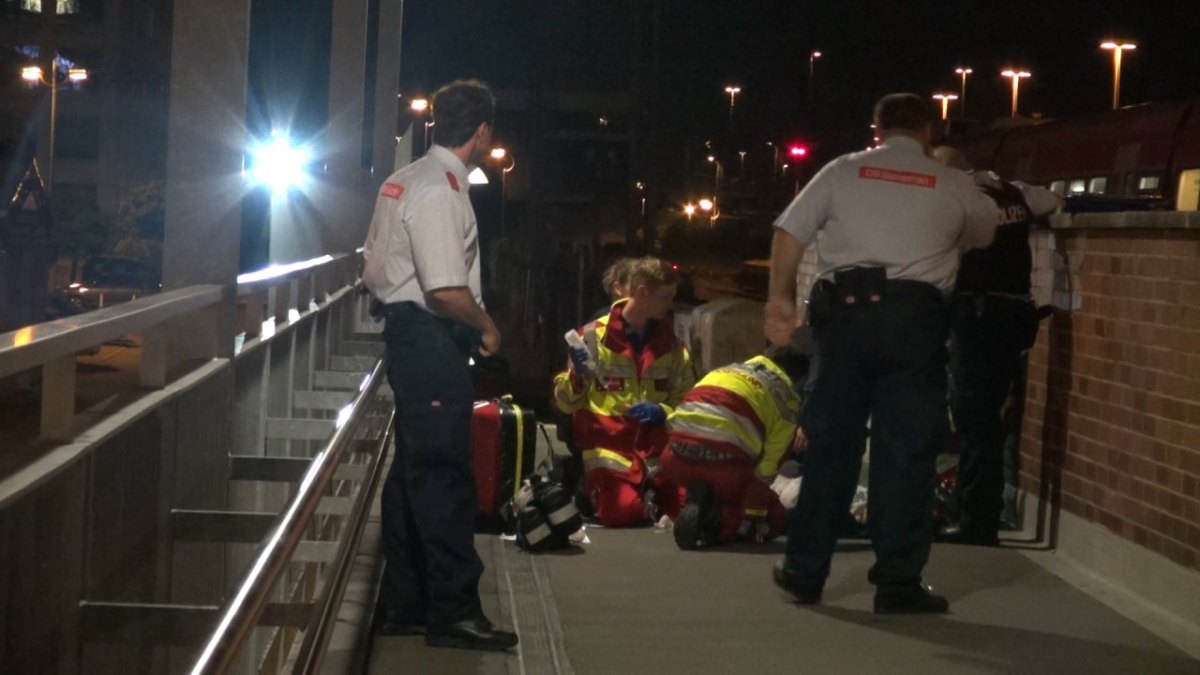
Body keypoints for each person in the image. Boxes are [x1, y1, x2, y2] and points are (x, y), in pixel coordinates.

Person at [764, 93, 1002, 615]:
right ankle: (897, 584)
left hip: (842, 322)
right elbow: (985, 229)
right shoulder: (950, 181)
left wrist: (780, 296)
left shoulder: (843, 170)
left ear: (877, 128)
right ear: (929, 130)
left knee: (830, 449)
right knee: (906, 454)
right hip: (914, 324)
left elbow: (789, 229)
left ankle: (805, 573)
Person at [362, 79, 518, 651]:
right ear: (482, 132)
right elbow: (447, 290)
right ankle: (454, 610)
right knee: (445, 476)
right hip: (431, 341)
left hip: (404, 336)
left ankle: (408, 603)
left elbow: (375, 268)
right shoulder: (441, 190)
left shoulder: (401, 180)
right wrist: (487, 327)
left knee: (411, 476)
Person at [932, 146, 1061, 547]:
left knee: (975, 422)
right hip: (1014, 318)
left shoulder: (958, 201)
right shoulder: (1015, 191)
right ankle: (976, 511)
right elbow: (1055, 200)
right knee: (991, 418)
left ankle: (976, 521)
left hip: (977, 320)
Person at [553, 257, 695, 527]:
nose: (670, 305)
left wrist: (662, 412)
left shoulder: (674, 347)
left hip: (655, 451)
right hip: (609, 447)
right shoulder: (593, 337)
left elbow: (688, 402)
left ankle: (644, 493)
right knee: (622, 512)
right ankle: (590, 490)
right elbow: (565, 403)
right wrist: (576, 376)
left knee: (686, 509)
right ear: (641, 293)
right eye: (665, 297)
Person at [660, 345, 808, 549]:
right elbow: (772, 461)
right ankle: (727, 527)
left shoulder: (728, 371)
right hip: (724, 465)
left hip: (675, 456)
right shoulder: (788, 400)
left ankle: (701, 503)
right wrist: (755, 494)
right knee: (771, 511)